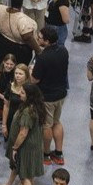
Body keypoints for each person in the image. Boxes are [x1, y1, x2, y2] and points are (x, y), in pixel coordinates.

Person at [9, 84, 47, 185]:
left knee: (25, 176)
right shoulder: (36, 107)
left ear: (30, 96)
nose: (20, 93)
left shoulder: (27, 112)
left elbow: (23, 133)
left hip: (26, 148)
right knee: (30, 175)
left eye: (23, 92)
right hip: (35, 146)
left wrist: (15, 148)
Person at [32, 26, 68, 165]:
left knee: (46, 125)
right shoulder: (63, 51)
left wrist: (30, 72)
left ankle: (45, 154)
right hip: (61, 93)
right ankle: (58, 153)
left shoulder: (43, 57)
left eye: (40, 38)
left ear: (46, 41)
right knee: (56, 122)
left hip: (47, 97)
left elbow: (35, 80)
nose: (38, 39)